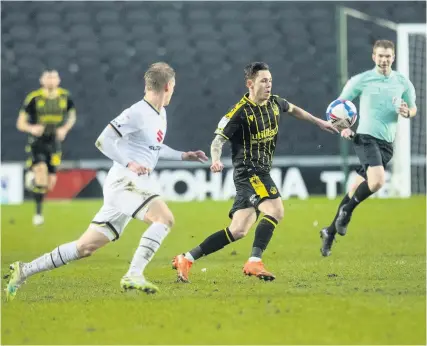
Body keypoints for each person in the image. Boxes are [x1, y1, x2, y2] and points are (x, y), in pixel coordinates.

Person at [5, 62, 208, 301]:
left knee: (85, 247)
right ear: (167, 86)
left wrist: (183, 155)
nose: (173, 91)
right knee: (164, 219)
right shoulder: (137, 112)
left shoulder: (159, 113)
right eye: (173, 87)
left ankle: (24, 270)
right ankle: (134, 274)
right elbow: (103, 140)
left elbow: (153, 147)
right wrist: (129, 162)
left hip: (129, 184)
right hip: (125, 182)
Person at [172, 61, 337, 282]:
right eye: (263, 81)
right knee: (275, 210)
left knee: (237, 230)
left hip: (258, 172)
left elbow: (294, 109)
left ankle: (186, 258)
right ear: (250, 83)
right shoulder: (239, 112)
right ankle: (254, 261)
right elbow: (217, 141)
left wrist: (318, 122)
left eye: (270, 80)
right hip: (250, 172)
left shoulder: (275, 103)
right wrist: (216, 160)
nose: (268, 85)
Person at [320, 40, 417, 257]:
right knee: (378, 181)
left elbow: (413, 108)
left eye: (388, 56)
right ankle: (347, 211)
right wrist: (344, 128)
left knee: (355, 189)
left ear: (393, 57)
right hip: (365, 138)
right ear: (374, 57)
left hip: (386, 145)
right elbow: (338, 106)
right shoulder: (362, 80)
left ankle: (329, 232)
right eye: (380, 55)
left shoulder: (402, 82)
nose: (384, 60)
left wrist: (406, 112)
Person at [16, 70, 76, 226]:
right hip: (37, 142)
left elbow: (72, 116)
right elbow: (20, 123)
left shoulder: (65, 96)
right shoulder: (34, 98)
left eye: (53, 76)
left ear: (59, 79)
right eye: (48, 77)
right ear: (41, 80)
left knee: (49, 184)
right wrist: (31, 128)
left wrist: (65, 129)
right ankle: (38, 214)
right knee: (41, 171)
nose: (51, 80)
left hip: (54, 143)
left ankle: (31, 181)